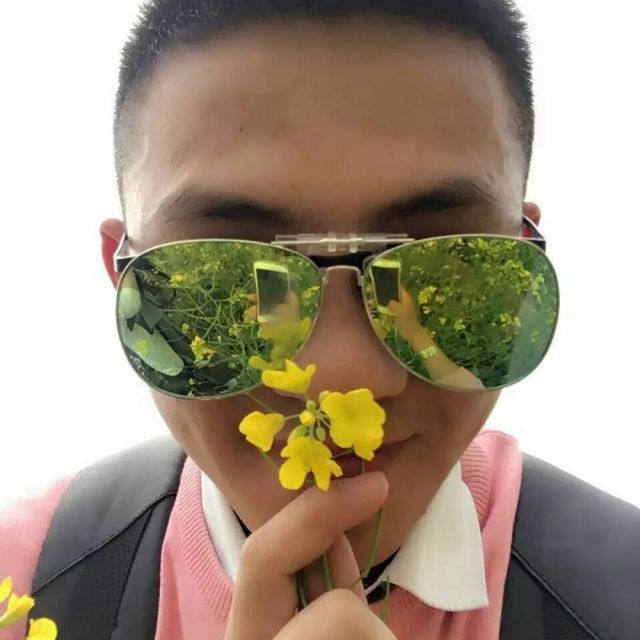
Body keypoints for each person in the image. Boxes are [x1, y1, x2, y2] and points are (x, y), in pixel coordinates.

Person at [1, 1, 639, 639]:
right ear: (122, 280)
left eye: (444, 266)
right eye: (226, 280)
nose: (339, 377)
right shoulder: (25, 583)